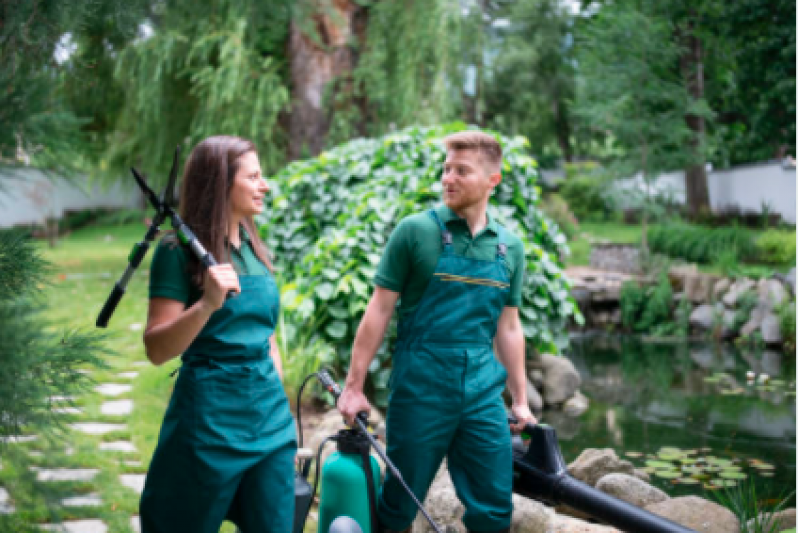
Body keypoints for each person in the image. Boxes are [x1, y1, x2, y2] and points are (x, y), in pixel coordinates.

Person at [338, 131, 536, 533]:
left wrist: (520, 399)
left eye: (462, 171)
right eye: (446, 169)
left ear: (492, 180)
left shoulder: (508, 248)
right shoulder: (415, 232)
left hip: (483, 392)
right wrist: (354, 385)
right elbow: (378, 310)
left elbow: (509, 327)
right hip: (421, 387)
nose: (448, 178)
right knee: (399, 503)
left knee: (494, 508)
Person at [139, 136, 295, 533]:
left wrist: (281, 407)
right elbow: (157, 348)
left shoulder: (255, 248)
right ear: (222, 183)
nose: (266, 185)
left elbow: (268, 337)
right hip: (207, 419)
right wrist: (206, 304)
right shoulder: (177, 252)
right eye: (254, 176)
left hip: (268, 419)